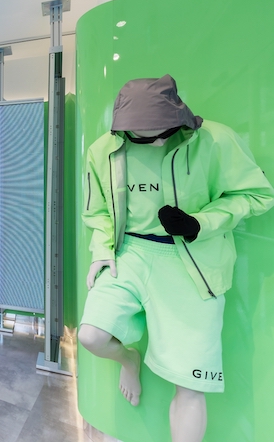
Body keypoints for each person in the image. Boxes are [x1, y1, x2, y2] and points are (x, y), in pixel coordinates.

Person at [78, 75, 274, 442]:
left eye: (166, 133)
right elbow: (98, 208)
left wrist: (201, 222)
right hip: (130, 253)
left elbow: (257, 194)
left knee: (191, 384)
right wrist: (102, 250)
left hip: (193, 263)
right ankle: (129, 360)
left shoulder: (215, 140)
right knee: (90, 335)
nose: (159, 142)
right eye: (146, 137)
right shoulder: (102, 150)